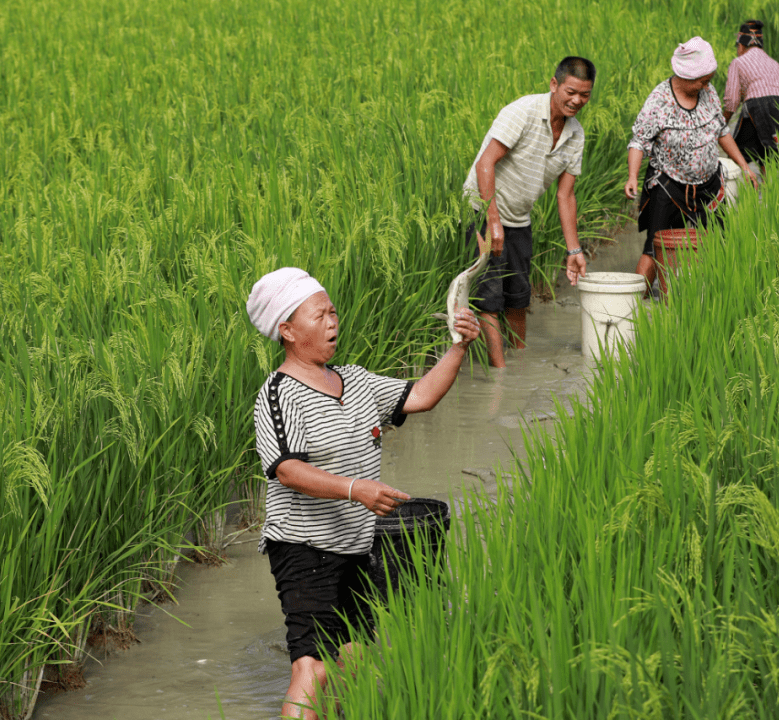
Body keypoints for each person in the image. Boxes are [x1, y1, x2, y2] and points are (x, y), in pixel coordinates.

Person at [246, 267, 480, 719]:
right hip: (302, 545)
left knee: (354, 663)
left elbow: (421, 396)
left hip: (356, 545)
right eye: (320, 315)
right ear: (288, 330)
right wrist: (355, 490)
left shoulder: (354, 381)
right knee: (311, 669)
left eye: (333, 311)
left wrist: (458, 346)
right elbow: (287, 469)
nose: (333, 321)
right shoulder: (278, 394)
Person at [462, 56, 593, 368]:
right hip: (483, 210)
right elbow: (485, 163)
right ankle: (503, 377)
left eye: (584, 95)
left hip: (519, 218)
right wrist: (492, 221)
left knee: (519, 295)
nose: (576, 101)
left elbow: (566, 194)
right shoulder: (522, 112)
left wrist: (574, 249)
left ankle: (518, 358)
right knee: (490, 298)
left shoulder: (576, 135)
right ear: (554, 85)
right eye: (570, 92)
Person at [623, 37, 758, 300]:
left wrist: (744, 166)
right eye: (702, 81)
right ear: (684, 75)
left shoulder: (707, 93)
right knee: (655, 248)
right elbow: (639, 141)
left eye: (709, 80)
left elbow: (721, 130)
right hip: (669, 185)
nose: (706, 86)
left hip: (708, 184)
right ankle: (632, 311)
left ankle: (709, 302)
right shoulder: (660, 100)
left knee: (717, 243)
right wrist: (632, 176)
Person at [722, 20, 779, 174]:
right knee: (775, 155)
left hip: (760, 104)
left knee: (736, 154)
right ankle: (771, 191)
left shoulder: (738, 62)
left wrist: (720, 125)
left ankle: (732, 191)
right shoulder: (774, 63)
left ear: (741, 45)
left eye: (737, 47)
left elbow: (731, 101)